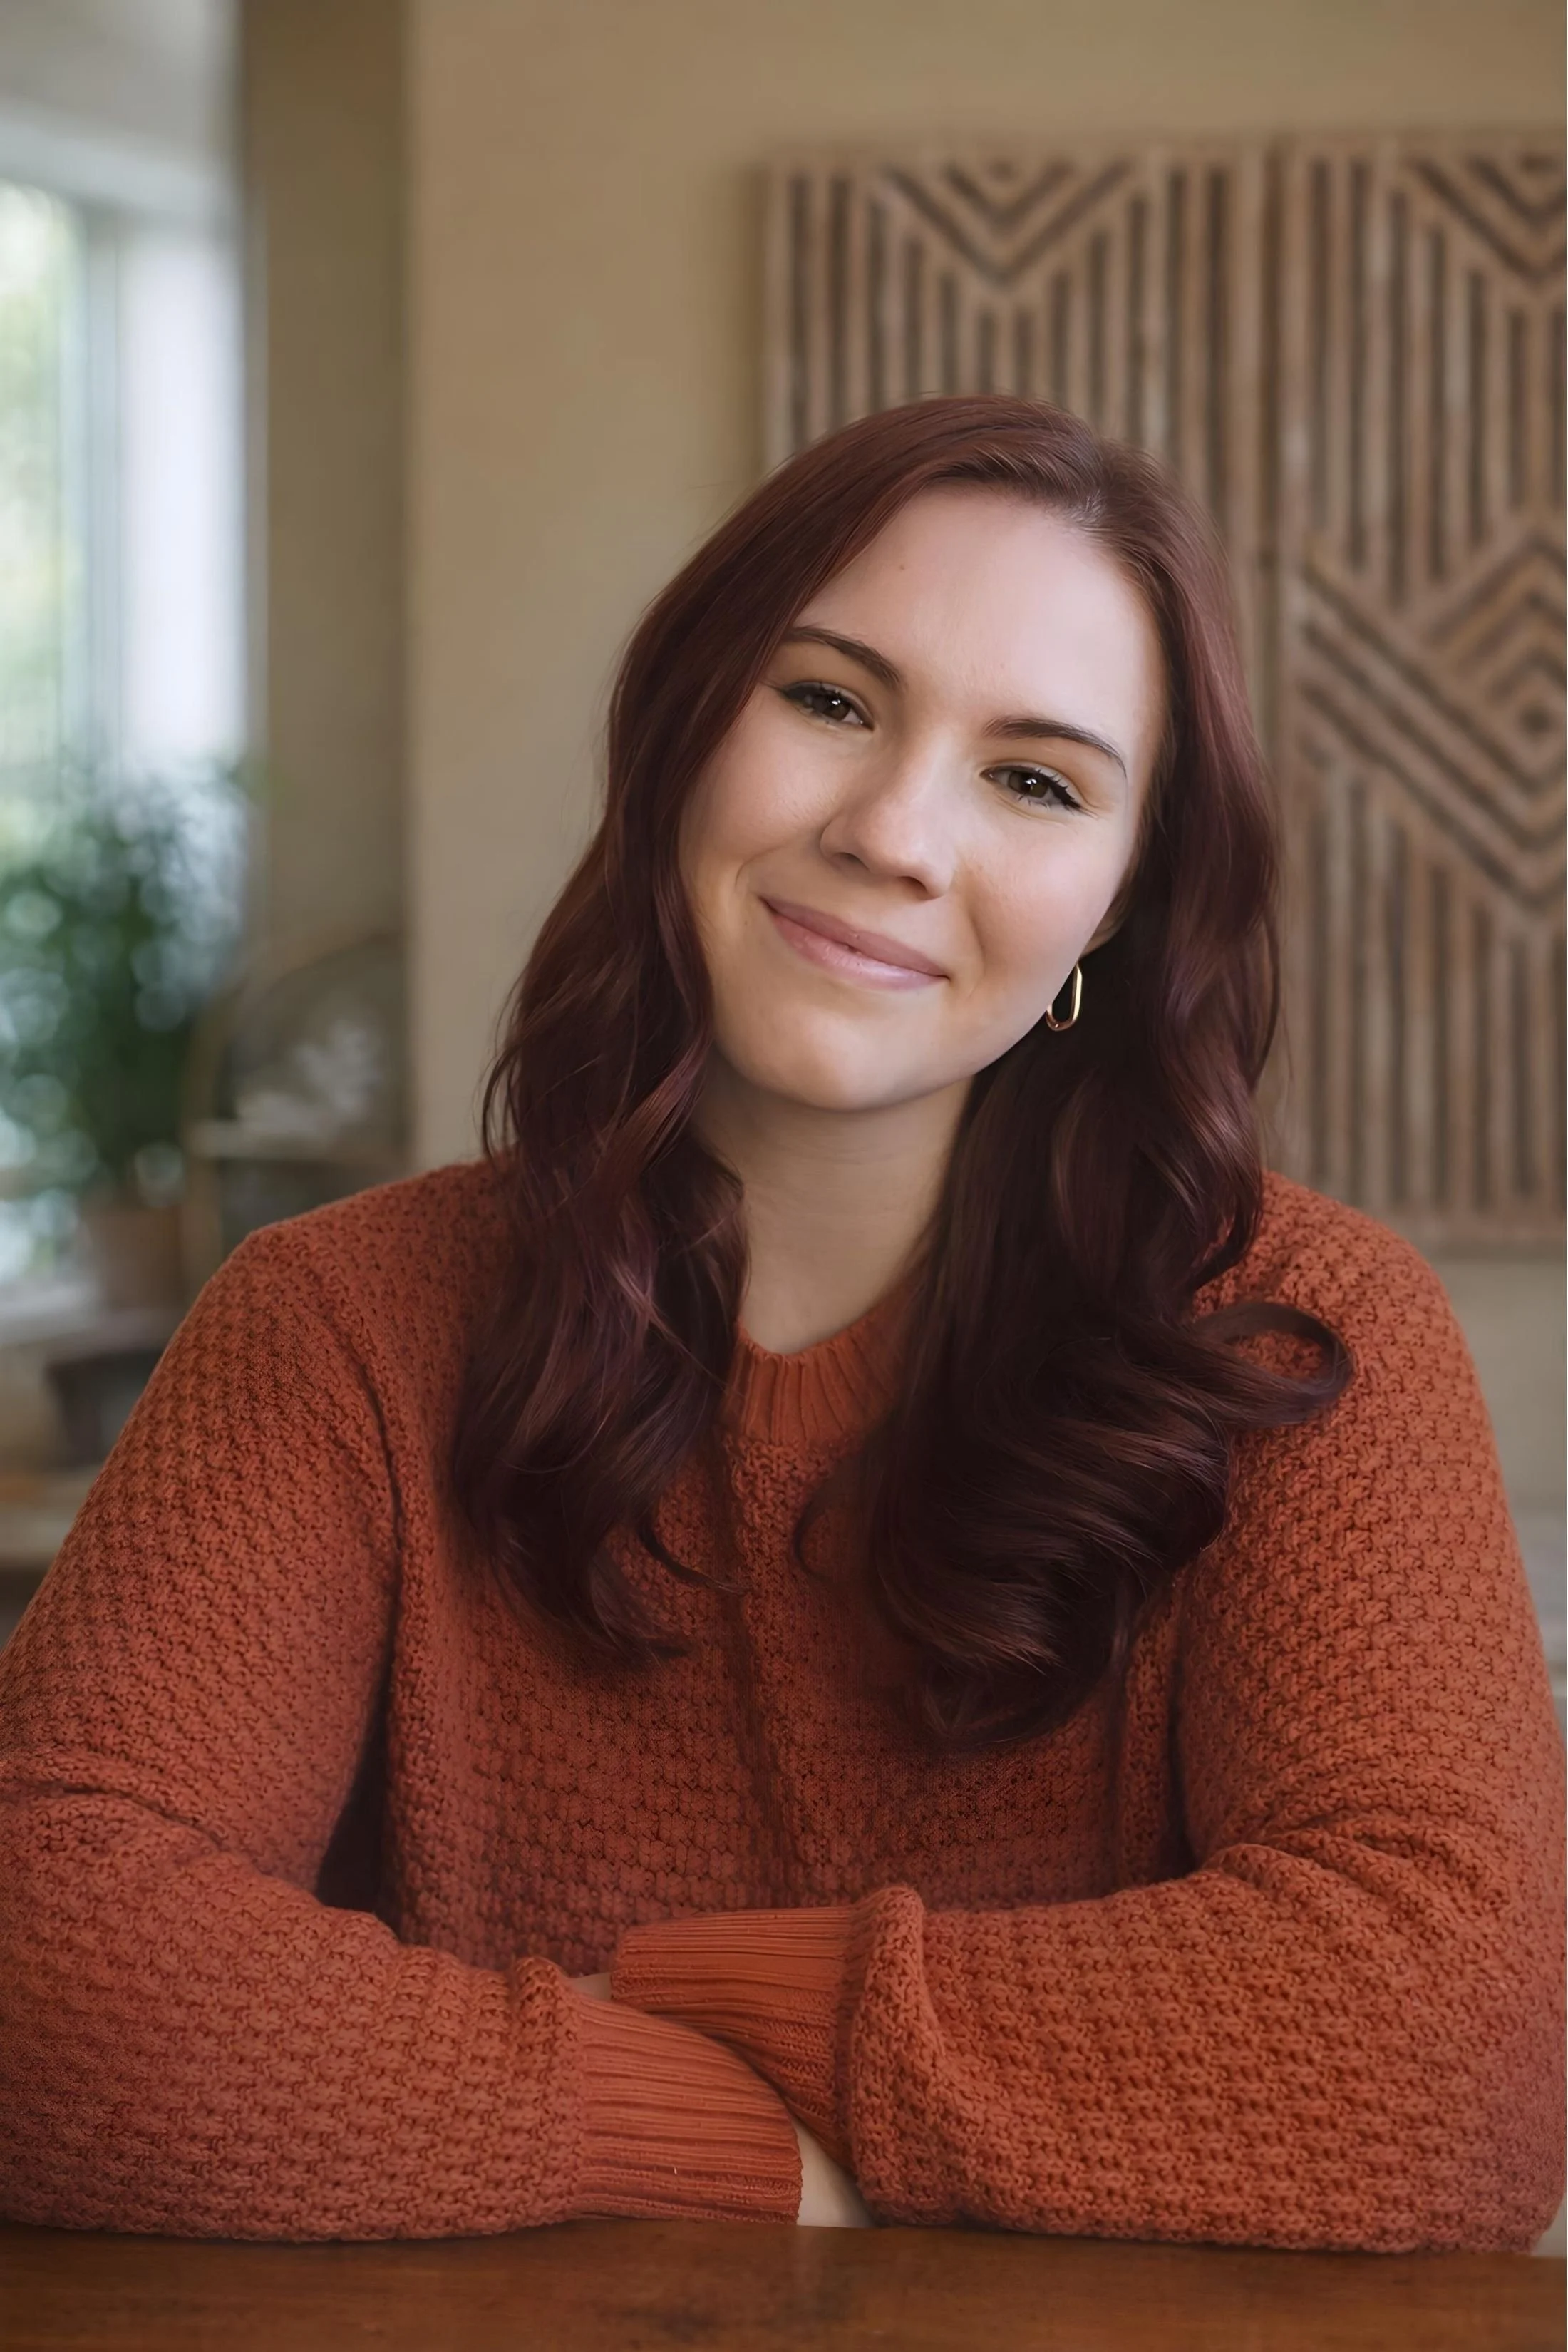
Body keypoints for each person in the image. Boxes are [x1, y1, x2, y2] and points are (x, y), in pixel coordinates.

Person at [0, 398, 1561, 2248]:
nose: (895, 832)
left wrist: (695, 2015)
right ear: (686, 730)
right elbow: (41, 1946)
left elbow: (1466, 2057)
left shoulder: (1295, 1341)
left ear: (1118, 919)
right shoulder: (336, 1323)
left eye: (1036, 781)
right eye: (828, 699)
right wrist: (728, 2148)